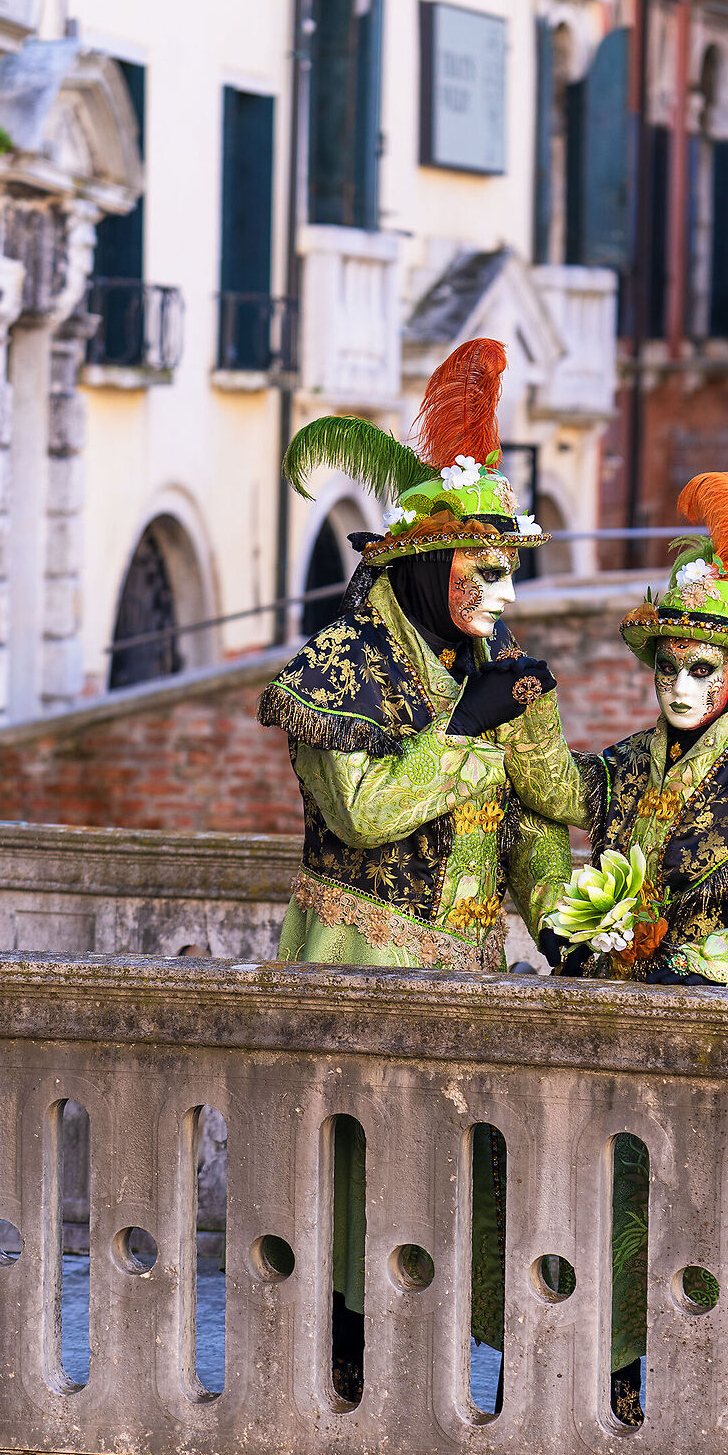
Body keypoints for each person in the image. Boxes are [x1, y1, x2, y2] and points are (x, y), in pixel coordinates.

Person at [258, 337, 575, 1397]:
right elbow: (361, 812)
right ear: (424, 570)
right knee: (354, 1177)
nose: (503, 592)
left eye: (510, 572)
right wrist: (468, 730)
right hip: (362, 957)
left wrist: (570, 913)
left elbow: (542, 815)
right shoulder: (337, 668)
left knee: (448, 1183)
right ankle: (344, 1364)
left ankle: (424, 1358)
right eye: (486, 571)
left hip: (470, 972)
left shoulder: (478, 666)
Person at [499, 471, 728, 1422]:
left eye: (702, 670)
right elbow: (562, 793)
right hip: (628, 1024)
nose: (683, 687)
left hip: (727, 1033)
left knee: (723, 1217)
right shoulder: (633, 761)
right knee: (615, 1206)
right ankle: (612, 1374)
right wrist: (520, 696)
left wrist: (701, 964)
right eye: (669, 669)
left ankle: (708, 1394)